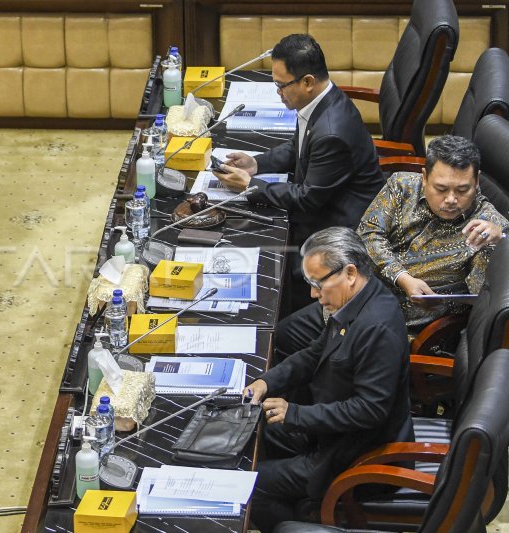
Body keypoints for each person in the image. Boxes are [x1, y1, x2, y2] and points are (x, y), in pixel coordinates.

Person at [245, 227, 412, 533]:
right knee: (252, 432)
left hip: (357, 457)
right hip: (331, 435)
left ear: (349, 272)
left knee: (251, 486)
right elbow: (313, 354)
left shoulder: (377, 327)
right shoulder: (355, 302)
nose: (313, 295)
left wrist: (295, 413)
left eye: (317, 284)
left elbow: (370, 410)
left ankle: (300, 524)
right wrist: (267, 382)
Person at [212, 34, 383, 314]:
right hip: (322, 205)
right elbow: (298, 148)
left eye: (281, 85)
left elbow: (307, 199)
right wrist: (256, 165)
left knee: (253, 253)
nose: (278, 92)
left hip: (338, 228)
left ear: (307, 82)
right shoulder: (320, 102)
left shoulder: (332, 132)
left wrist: (250, 186)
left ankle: (282, 322)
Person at [358, 135, 509, 331]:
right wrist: (403, 278)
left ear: (477, 181)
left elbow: (484, 300)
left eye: (462, 190)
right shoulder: (401, 186)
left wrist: (500, 245)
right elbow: (367, 234)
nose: (451, 199)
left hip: (396, 328)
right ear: (424, 177)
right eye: (441, 189)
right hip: (351, 297)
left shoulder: (489, 229)